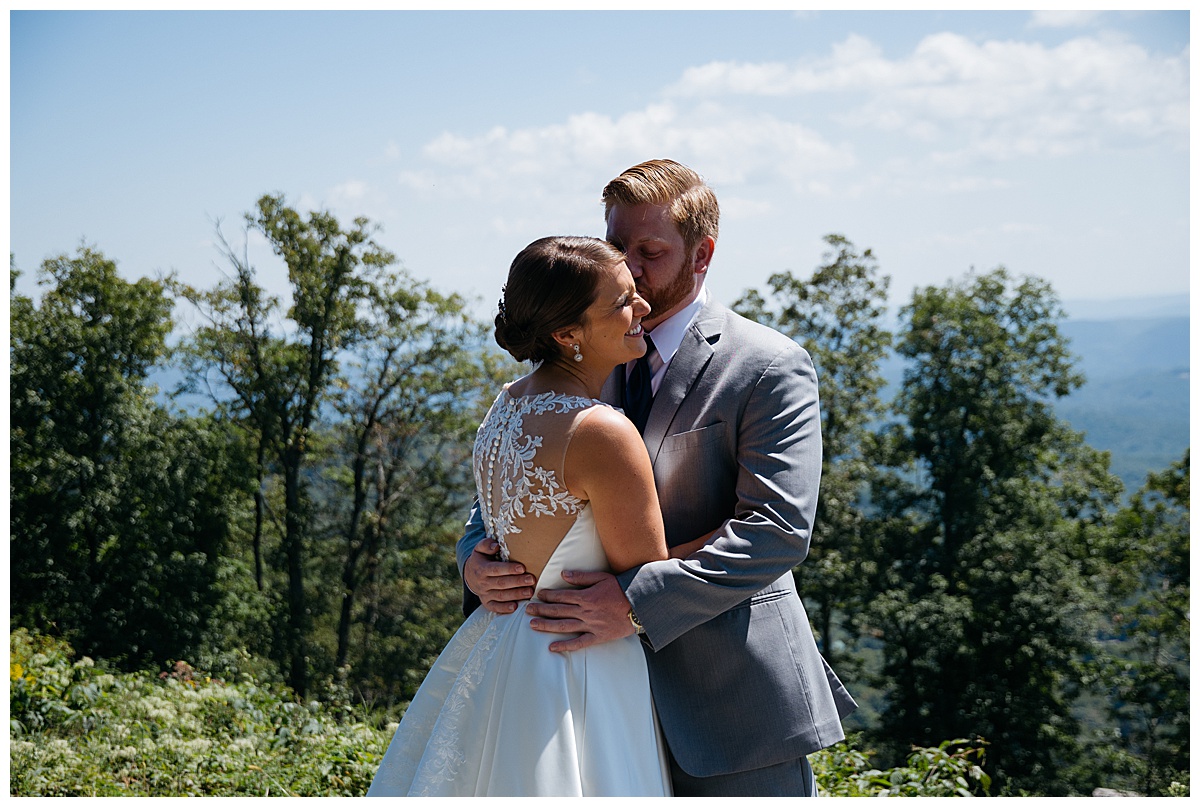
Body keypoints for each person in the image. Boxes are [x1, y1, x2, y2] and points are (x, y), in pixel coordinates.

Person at [461, 159, 858, 797]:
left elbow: (777, 531)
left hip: (729, 707)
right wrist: (474, 561)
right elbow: (512, 486)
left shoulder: (768, 366)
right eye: (617, 246)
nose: (629, 267)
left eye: (648, 250)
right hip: (583, 703)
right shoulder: (583, 351)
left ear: (701, 254)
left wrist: (636, 602)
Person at [367, 236, 674, 796]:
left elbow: (491, 522)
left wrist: (471, 560)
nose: (643, 309)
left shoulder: (507, 403)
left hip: (502, 640)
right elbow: (647, 574)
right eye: (622, 302)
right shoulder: (601, 432)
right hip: (578, 658)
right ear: (567, 333)